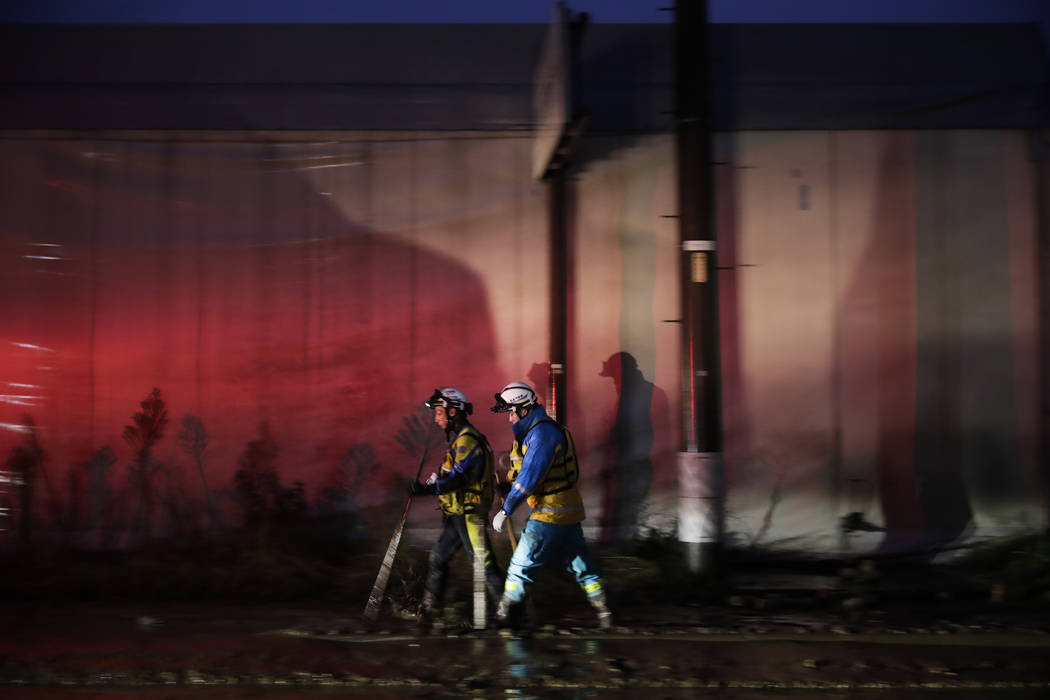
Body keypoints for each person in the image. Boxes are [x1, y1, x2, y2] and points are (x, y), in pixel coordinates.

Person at [489, 381, 612, 630]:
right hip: (567, 512)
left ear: (524, 409)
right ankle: (606, 610)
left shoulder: (542, 433)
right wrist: (507, 487)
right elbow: (524, 472)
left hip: (550, 513)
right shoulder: (539, 430)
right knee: (581, 565)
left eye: (511, 412)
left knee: (520, 565)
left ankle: (506, 616)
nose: (509, 418)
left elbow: (530, 476)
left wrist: (506, 509)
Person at [408, 387, 504, 627]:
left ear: (454, 412)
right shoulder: (462, 439)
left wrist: (426, 490)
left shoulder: (468, 440)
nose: (436, 418)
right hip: (457, 513)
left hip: (469, 514)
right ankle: (430, 611)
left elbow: (457, 479)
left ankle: (510, 614)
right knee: (438, 557)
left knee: (484, 562)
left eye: (439, 413)